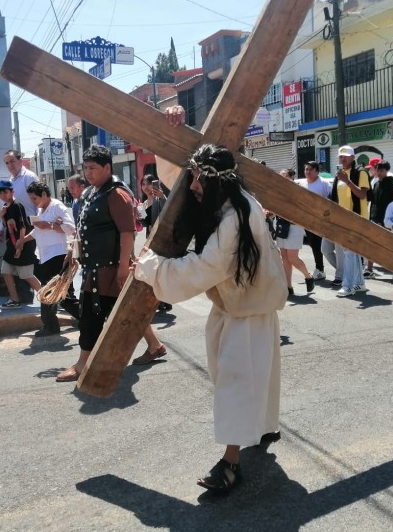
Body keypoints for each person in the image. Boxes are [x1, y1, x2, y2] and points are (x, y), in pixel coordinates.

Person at [133, 143, 288, 494]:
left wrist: (150, 268)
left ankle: (231, 463)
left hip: (247, 311)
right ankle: (264, 426)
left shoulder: (235, 218)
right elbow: (179, 183)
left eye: (201, 178)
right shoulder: (234, 201)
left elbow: (205, 268)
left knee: (235, 382)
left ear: (217, 181)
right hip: (241, 306)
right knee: (255, 376)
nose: (194, 185)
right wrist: (172, 133)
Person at [56, 145, 165, 382]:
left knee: (91, 316)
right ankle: (155, 345)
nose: (88, 173)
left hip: (110, 271)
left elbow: (128, 233)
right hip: (94, 269)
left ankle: (83, 363)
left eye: (93, 168)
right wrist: (73, 250)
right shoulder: (91, 193)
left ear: (107, 167)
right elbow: (85, 229)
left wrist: (123, 270)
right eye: (85, 168)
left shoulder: (117, 194)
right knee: (128, 311)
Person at [16, 182, 73, 332]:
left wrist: (49, 225)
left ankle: (50, 325)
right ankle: (84, 319)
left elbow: (70, 228)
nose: (33, 202)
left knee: (49, 291)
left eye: (35, 198)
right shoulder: (42, 209)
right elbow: (38, 231)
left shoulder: (57, 207)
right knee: (62, 294)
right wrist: (23, 240)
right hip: (46, 256)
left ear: (44, 194)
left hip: (57, 255)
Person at [0, 180, 43, 310]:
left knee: (26, 274)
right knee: (6, 270)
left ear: (12, 192)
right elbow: (9, 225)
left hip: (23, 244)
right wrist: (1, 217)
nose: (2, 194)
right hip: (13, 245)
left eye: (5, 191)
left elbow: (22, 227)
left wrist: (20, 246)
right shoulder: (6, 207)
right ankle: (14, 300)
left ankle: (49, 298)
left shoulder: (17, 206)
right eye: (0, 192)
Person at [331, 145, 371, 297]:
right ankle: (359, 283)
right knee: (352, 252)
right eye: (341, 156)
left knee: (349, 252)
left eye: (346, 156)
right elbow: (335, 198)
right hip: (343, 218)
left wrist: (347, 181)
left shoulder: (361, 172)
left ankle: (347, 286)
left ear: (353, 158)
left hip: (357, 217)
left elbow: (362, 194)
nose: (343, 159)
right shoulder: (339, 175)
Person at [274, 169, 314, 296]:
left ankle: (308, 276)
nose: (282, 178)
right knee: (284, 257)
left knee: (292, 257)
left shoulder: (298, 190)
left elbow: (305, 207)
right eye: (280, 176)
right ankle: (288, 287)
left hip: (294, 226)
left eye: (285, 176)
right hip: (281, 226)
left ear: (292, 177)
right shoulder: (278, 191)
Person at [139, 173, 172, 311]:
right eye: (144, 184)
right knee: (152, 271)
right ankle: (157, 300)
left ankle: (166, 300)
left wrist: (163, 198)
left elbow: (169, 211)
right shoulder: (144, 203)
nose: (146, 187)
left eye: (149, 183)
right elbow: (143, 223)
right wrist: (138, 213)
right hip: (149, 240)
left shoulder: (160, 199)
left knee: (161, 270)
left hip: (161, 239)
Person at [295, 161, 331, 280]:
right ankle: (320, 269)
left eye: (310, 169)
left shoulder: (324, 184)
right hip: (308, 221)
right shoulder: (301, 184)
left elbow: (332, 201)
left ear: (317, 171)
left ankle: (342, 270)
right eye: (306, 169)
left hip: (323, 221)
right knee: (315, 245)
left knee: (327, 247)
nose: (307, 172)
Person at [367, 160, 393, 277]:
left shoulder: (392, 184)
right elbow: (373, 202)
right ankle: (369, 269)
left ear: (387, 171)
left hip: (388, 220)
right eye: (378, 170)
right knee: (372, 244)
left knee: (389, 246)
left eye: (382, 171)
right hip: (375, 218)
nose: (379, 173)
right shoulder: (375, 184)